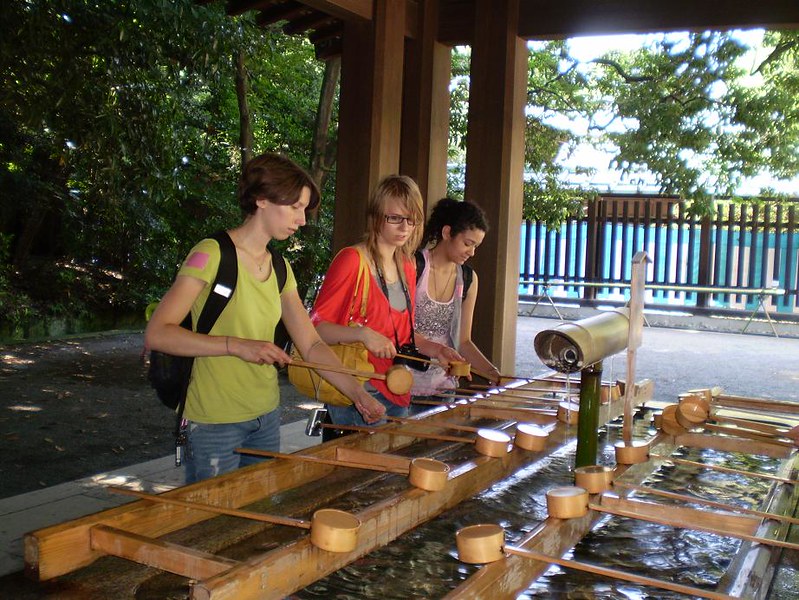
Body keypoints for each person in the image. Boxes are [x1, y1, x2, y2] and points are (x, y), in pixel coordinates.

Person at [145, 152, 383, 483]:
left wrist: (357, 393)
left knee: (258, 515)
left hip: (266, 417)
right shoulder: (211, 254)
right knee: (211, 526)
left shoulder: (281, 269)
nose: (302, 219)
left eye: (304, 209)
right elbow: (158, 333)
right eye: (295, 207)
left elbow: (312, 343)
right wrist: (236, 345)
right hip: (214, 420)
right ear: (262, 200)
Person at [310, 176, 463, 430]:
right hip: (358, 390)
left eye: (411, 219)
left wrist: (438, 350)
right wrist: (362, 334)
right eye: (395, 218)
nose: (404, 227)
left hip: (398, 387)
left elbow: (403, 336)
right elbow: (315, 330)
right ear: (376, 217)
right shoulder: (352, 260)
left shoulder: (407, 265)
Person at [411, 198, 501, 397]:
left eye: (476, 246)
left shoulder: (469, 279)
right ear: (447, 233)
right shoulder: (414, 266)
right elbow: (398, 331)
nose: (472, 252)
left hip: (443, 387)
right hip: (402, 384)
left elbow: (463, 341)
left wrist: (494, 375)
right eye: (468, 243)